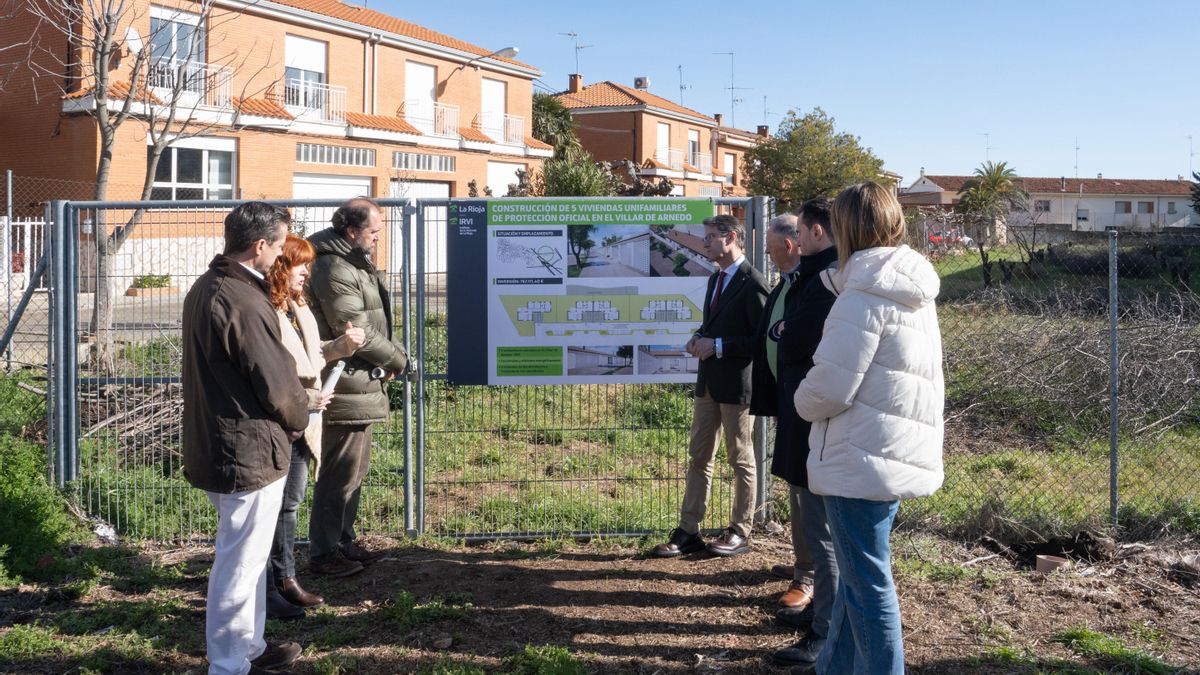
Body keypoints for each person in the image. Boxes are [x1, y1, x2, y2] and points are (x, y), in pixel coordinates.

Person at [789, 182, 945, 675]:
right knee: (860, 585)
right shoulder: (907, 288)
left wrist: (799, 397)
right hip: (886, 453)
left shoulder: (861, 297)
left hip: (859, 457)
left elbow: (830, 388)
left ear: (847, 229)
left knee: (869, 588)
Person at [182, 202, 310, 675]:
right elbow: (277, 381)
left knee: (249, 558)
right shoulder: (243, 299)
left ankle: (249, 647)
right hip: (246, 448)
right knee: (239, 563)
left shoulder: (211, 286)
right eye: (278, 247)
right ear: (259, 245)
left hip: (230, 441)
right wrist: (299, 417)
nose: (280, 257)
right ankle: (230, 663)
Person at [306, 197, 411, 577]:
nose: (377, 239)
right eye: (373, 232)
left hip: (358, 380)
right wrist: (398, 360)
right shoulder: (334, 266)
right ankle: (324, 553)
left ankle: (343, 542)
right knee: (339, 473)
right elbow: (354, 330)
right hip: (342, 381)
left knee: (355, 469)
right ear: (352, 231)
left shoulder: (351, 260)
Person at [653, 214, 768, 558]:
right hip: (708, 385)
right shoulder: (715, 279)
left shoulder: (754, 282)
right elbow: (714, 325)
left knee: (740, 458)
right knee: (699, 457)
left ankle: (740, 531)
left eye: (709, 238)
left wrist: (717, 346)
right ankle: (689, 530)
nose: (703, 244)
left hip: (736, 387)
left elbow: (760, 340)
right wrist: (699, 338)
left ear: (730, 237)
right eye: (704, 238)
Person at [264, 235, 366, 618]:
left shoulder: (296, 305)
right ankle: (281, 581)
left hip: (304, 419)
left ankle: (285, 578)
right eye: (299, 264)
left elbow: (310, 354)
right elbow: (272, 368)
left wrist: (340, 345)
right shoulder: (267, 310)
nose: (307, 271)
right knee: (282, 505)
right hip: (283, 419)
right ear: (280, 266)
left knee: (290, 503)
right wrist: (305, 399)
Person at [766, 200, 840, 668]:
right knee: (817, 528)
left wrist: (788, 331)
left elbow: (796, 341)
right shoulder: (820, 277)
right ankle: (822, 612)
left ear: (813, 232)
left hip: (817, 422)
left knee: (824, 534)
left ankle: (824, 633)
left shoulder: (826, 280)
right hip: (803, 415)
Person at [749, 212, 814, 608]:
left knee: (807, 489)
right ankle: (803, 562)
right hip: (789, 402)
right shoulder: (786, 285)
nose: (771, 257)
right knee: (794, 485)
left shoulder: (811, 286)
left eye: (773, 250)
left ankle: (810, 575)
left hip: (809, 403)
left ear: (789, 245)